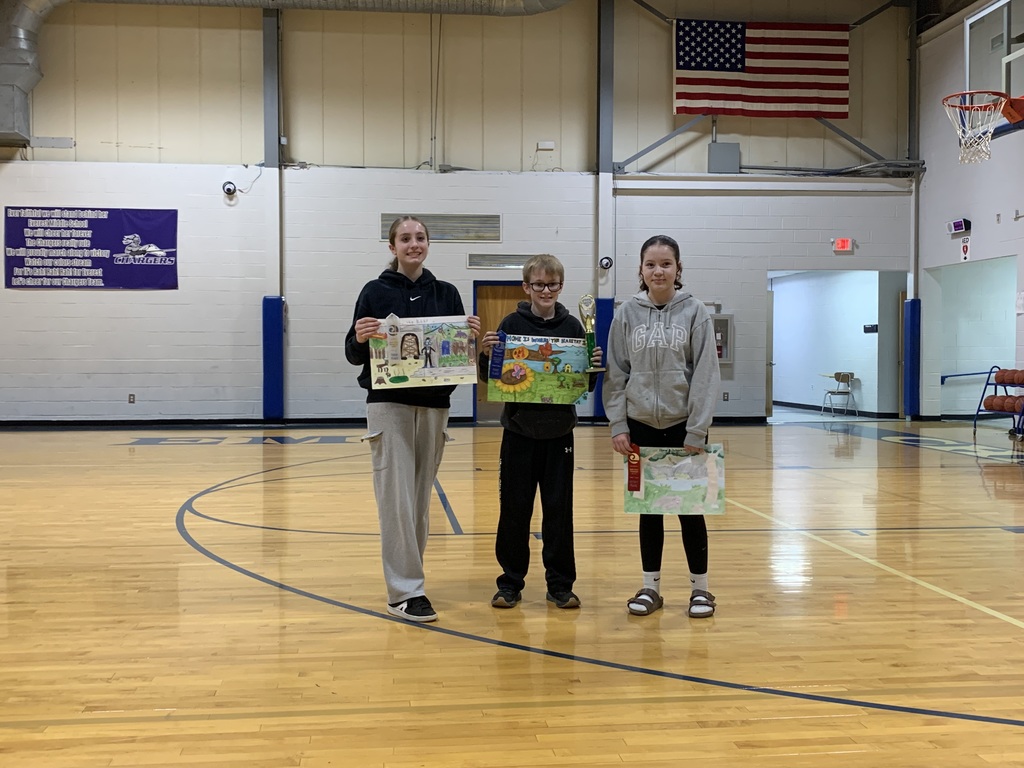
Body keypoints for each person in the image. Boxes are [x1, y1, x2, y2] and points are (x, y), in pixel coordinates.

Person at [345, 215, 480, 623]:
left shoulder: (446, 292)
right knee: (396, 501)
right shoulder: (374, 291)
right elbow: (352, 353)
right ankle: (404, 592)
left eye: (420, 237)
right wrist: (360, 337)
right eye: (405, 238)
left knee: (419, 502)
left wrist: (470, 338)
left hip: (435, 407)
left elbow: (459, 357)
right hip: (389, 406)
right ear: (393, 247)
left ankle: (410, 583)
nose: (413, 244)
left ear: (428, 243)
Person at [603, 235, 721, 618]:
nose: (658, 271)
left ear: (678, 268)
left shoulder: (695, 312)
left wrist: (697, 429)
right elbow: (616, 373)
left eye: (666, 264)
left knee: (690, 511)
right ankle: (650, 587)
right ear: (640, 269)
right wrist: (618, 423)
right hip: (640, 426)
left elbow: (706, 374)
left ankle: (701, 590)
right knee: (649, 511)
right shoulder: (626, 314)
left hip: (684, 427)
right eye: (651, 264)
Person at [477, 254, 602, 611]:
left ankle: (560, 586)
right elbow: (490, 377)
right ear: (526, 287)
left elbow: (583, 387)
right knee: (514, 510)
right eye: (539, 285)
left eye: (552, 285)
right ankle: (510, 583)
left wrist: (593, 368)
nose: (545, 291)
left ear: (561, 286)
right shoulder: (510, 323)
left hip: (560, 434)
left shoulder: (575, 327)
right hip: (518, 433)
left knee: (559, 512)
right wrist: (486, 355)